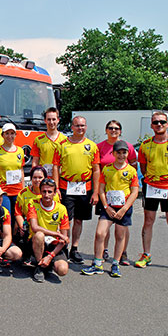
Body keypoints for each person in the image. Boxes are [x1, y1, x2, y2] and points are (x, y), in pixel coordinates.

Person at [135, 112, 168, 273]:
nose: (159, 125)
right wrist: (151, 180)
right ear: (151, 125)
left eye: (162, 122)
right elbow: (143, 169)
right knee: (148, 221)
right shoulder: (145, 145)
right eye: (155, 122)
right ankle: (146, 255)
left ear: (167, 124)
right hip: (151, 187)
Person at [81, 140, 139, 278]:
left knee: (119, 236)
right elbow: (101, 190)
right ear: (113, 153)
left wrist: (124, 209)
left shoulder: (131, 171)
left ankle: (116, 264)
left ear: (127, 154)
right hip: (108, 208)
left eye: (124, 152)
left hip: (123, 209)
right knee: (100, 233)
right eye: (118, 153)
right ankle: (97, 263)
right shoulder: (107, 169)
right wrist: (106, 207)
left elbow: (135, 192)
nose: (121, 155)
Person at [52, 115, 100, 264]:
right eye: (77, 125)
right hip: (66, 187)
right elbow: (56, 167)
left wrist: (96, 192)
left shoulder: (92, 146)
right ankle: (63, 246)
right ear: (71, 127)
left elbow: (96, 170)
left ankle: (74, 248)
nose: (80, 128)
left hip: (85, 188)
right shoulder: (62, 144)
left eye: (83, 126)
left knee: (79, 220)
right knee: (66, 220)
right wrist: (56, 188)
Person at [96, 120, 137, 264]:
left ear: (120, 131)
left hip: (123, 199)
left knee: (121, 230)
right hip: (106, 193)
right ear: (106, 130)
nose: (113, 130)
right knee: (103, 227)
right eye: (110, 128)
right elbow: (95, 168)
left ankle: (121, 254)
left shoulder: (128, 147)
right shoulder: (100, 146)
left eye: (116, 128)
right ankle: (103, 251)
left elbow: (133, 165)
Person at [13, 166, 59, 263]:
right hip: (29, 226)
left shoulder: (52, 195)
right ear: (30, 178)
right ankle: (27, 253)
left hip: (47, 226)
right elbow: (18, 212)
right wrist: (22, 226)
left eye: (40, 177)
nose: (37, 180)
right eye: (34, 177)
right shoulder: (24, 193)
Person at [27, 178, 70, 283]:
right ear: (40, 191)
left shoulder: (62, 209)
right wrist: (56, 233)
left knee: (62, 270)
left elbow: (63, 239)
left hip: (53, 244)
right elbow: (34, 227)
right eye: (44, 191)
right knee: (39, 235)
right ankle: (39, 266)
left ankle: (48, 261)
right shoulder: (33, 203)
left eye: (50, 192)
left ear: (55, 193)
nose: (46, 195)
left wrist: (50, 256)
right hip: (36, 241)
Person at [0, 123, 25, 216]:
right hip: (3, 191)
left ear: (15, 135)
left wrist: (23, 189)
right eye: (7, 133)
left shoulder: (20, 151)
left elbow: (21, 170)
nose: (10, 136)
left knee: (18, 216)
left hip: (17, 190)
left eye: (12, 133)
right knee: (6, 216)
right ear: (2, 135)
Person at [31, 107, 67, 178]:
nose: (51, 122)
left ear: (58, 120)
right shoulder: (38, 140)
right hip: (44, 178)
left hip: (60, 178)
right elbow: (35, 161)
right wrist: (34, 176)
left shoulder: (65, 140)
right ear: (45, 121)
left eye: (54, 119)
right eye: (49, 119)